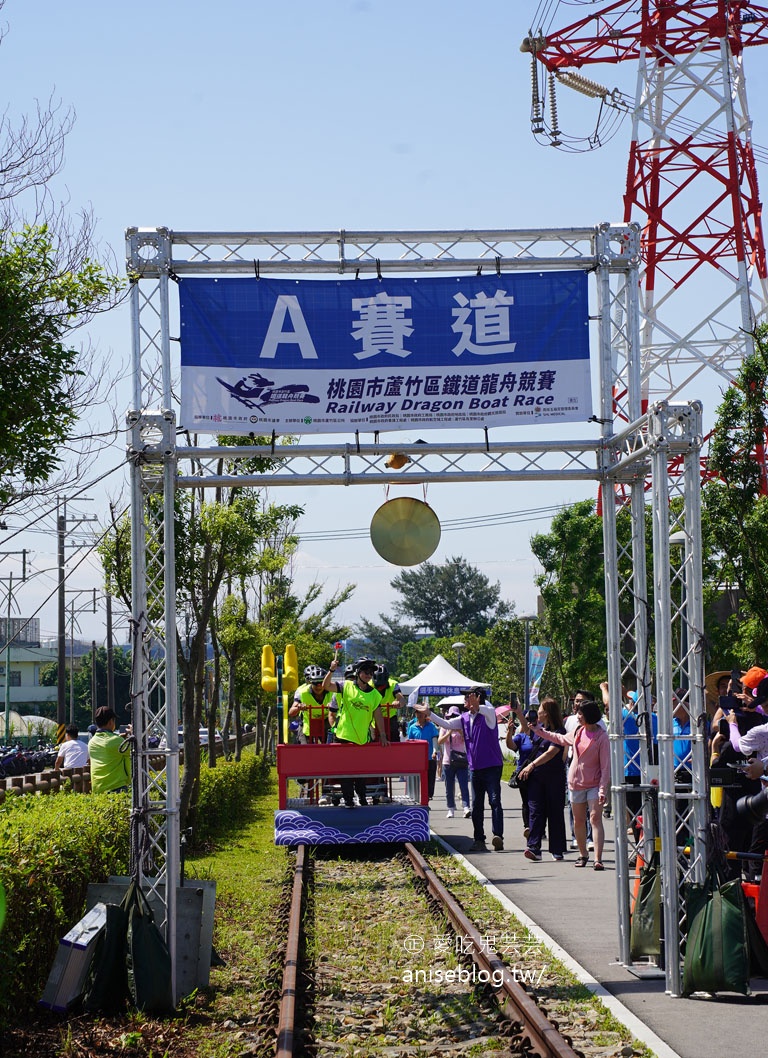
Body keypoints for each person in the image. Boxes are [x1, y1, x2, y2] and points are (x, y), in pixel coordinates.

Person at [417, 686, 504, 852]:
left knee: (494, 801)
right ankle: (479, 839)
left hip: (492, 766)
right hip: (476, 768)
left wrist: (478, 706)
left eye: (468, 697)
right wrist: (429, 713)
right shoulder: (464, 718)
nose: (465, 700)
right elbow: (445, 723)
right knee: (477, 804)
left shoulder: (488, 715)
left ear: (477, 698)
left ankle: (497, 835)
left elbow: (488, 710)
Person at [533, 698, 610, 870]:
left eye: (580, 713)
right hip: (575, 782)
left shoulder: (601, 737)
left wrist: (603, 789)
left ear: (589, 715)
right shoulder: (577, 731)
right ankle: (583, 855)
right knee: (579, 821)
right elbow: (559, 738)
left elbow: (605, 766)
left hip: (595, 784)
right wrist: (539, 731)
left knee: (595, 819)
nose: (578, 716)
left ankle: (598, 859)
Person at [321, 657, 388, 808]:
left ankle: (362, 797)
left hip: (363, 739)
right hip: (343, 736)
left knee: (361, 771)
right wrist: (331, 669)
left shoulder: (375, 695)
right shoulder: (345, 686)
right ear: (358, 672)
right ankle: (349, 800)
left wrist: (382, 734)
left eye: (371, 673)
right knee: (346, 772)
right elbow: (326, 686)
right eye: (365, 672)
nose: (368, 675)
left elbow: (378, 714)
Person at [513, 699, 567, 861]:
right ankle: (534, 847)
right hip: (536, 779)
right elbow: (525, 729)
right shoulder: (539, 729)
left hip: (554, 778)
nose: (538, 713)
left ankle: (557, 849)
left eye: (541, 710)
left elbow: (551, 753)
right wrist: (519, 713)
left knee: (555, 813)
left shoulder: (560, 732)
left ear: (548, 713)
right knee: (535, 811)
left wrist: (531, 765)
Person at [505, 708, 539, 839]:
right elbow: (511, 746)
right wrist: (509, 731)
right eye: (527, 718)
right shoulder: (521, 736)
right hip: (523, 774)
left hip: (538, 772)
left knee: (537, 802)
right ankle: (528, 827)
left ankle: (539, 828)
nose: (530, 721)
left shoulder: (541, 733)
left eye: (533, 718)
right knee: (526, 801)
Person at [88, 706, 132, 795]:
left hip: (97, 787)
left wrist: (120, 739)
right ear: (111, 721)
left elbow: (108, 746)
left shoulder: (92, 742)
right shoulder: (117, 741)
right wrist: (132, 734)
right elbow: (135, 749)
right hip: (117, 786)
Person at [438, 706, 471, 818]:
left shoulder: (463, 727)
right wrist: (449, 732)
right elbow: (440, 741)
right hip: (448, 761)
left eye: (455, 717)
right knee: (449, 787)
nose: (453, 719)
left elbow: (469, 739)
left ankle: (466, 807)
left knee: (463, 785)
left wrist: (460, 731)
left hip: (461, 760)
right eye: (451, 717)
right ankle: (451, 808)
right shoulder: (444, 727)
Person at [290, 665, 334, 743]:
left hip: (326, 722)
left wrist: (334, 706)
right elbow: (291, 712)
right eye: (315, 683)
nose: (318, 686)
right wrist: (299, 707)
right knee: (306, 749)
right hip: (308, 724)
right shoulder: (302, 692)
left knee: (331, 746)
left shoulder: (333, 691)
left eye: (321, 682)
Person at [407, 708, 440, 799]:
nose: (420, 715)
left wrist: (434, 751)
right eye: (418, 713)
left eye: (422, 713)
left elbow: (434, 740)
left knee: (430, 778)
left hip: (430, 756)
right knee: (418, 778)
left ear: (426, 715)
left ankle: (428, 795)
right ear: (416, 714)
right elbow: (410, 742)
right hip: (418, 758)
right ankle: (418, 795)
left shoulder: (431, 726)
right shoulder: (412, 727)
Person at [373, 665, 405, 742]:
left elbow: (402, 699)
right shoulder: (368, 685)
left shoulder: (393, 685)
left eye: (382, 685)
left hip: (390, 718)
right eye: (377, 686)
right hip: (373, 719)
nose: (380, 688)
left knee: (394, 736)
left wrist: (398, 702)